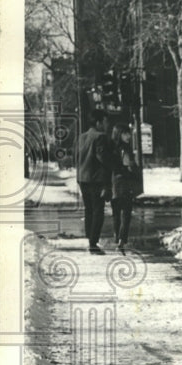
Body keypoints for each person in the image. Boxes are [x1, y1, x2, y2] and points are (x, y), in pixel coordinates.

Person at [76, 109, 112, 255]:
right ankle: (93, 243)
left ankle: (90, 238)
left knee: (89, 209)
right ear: (98, 122)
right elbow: (102, 157)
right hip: (96, 179)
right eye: (105, 121)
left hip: (82, 178)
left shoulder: (82, 137)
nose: (107, 124)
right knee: (98, 211)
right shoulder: (100, 137)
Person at [110, 124, 142, 254]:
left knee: (116, 214)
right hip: (124, 183)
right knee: (126, 213)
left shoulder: (111, 148)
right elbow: (129, 165)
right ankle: (121, 241)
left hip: (113, 184)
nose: (128, 136)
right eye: (125, 133)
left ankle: (117, 237)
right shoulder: (125, 149)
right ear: (120, 134)